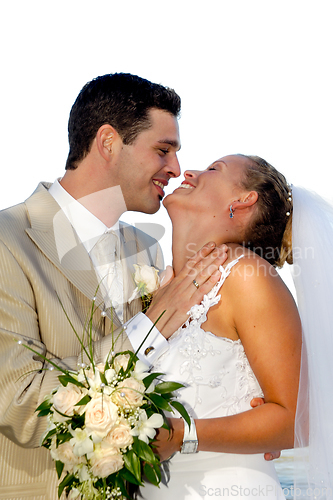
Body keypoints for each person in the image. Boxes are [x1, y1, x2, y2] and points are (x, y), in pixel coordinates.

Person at [0, 73, 228, 500]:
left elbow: (167, 377)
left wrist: (239, 423)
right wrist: (149, 326)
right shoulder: (8, 240)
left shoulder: (149, 253)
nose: (176, 169)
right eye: (163, 150)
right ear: (107, 143)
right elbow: (20, 403)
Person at [141, 154, 303, 499]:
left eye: (214, 169)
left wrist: (182, 436)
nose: (190, 171)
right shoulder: (158, 287)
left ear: (243, 201)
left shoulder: (248, 278)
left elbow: (292, 421)